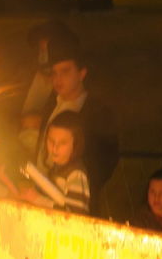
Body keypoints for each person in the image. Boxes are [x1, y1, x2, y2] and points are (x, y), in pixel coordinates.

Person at [34, 46, 120, 207]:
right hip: (43, 194)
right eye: (54, 73)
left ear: (81, 74)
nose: (58, 78)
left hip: (73, 201)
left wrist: (74, 181)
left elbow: (106, 160)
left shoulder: (97, 112)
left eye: (65, 71)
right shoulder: (52, 105)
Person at [18, 111, 90, 214]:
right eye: (51, 141)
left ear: (75, 144)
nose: (55, 148)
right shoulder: (55, 170)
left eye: (63, 143)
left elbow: (76, 215)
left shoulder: (76, 175)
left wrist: (38, 200)